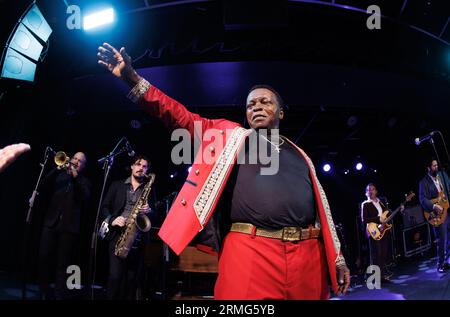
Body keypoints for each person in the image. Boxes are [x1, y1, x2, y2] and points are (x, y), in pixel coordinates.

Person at [97, 43, 350, 299]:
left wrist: (337, 259)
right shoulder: (229, 136)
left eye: (265, 102)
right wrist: (132, 78)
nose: (256, 107)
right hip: (251, 252)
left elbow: (323, 212)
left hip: (307, 257)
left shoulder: (301, 153)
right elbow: (179, 116)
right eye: (251, 105)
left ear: (281, 113)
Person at [38, 152, 91, 299]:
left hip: (69, 227)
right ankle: (42, 290)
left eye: (80, 161)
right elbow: (43, 184)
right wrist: (57, 168)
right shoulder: (60, 176)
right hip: (51, 222)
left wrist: (75, 176)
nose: (75, 162)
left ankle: (58, 295)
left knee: (62, 263)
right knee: (43, 256)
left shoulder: (84, 181)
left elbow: (85, 196)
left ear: (83, 166)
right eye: (74, 158)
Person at [101, 155, 155, 300]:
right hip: (118, 234)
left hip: (137, 239)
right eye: (138, 164)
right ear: (132, 166)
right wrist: (112, 219)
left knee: (132, 281)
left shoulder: (149, 189)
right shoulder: (117, 185)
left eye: (144, 166)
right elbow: (104, 207)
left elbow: (155, 214)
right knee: (115, 277)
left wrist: (150, 210)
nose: (140, 168)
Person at [361, 183, 399, 281]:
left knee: (383, 253)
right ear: (366, 193)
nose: (371, 191)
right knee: (376, 254)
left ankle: (382, 276)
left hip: (383, 230)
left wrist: (400, 209)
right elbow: (364, 220)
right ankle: (375, 277)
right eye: (369, 190)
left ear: (376, 191)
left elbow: (388, 214)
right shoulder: (365, 204)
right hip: (374, 230)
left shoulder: (381, 202)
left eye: (373, 189)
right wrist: (378, 219)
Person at [419, 158, 450, 273]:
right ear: (428, 168)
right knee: (442, 239)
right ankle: (440, 264)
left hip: (447, 209)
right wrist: (433, 206)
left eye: (437, 165)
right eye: (433, 166)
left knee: (448, 238)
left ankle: (446, 261)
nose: (436, 167)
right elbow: (422, 199)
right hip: (436, 214)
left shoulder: (441, 176)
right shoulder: (424, 182)